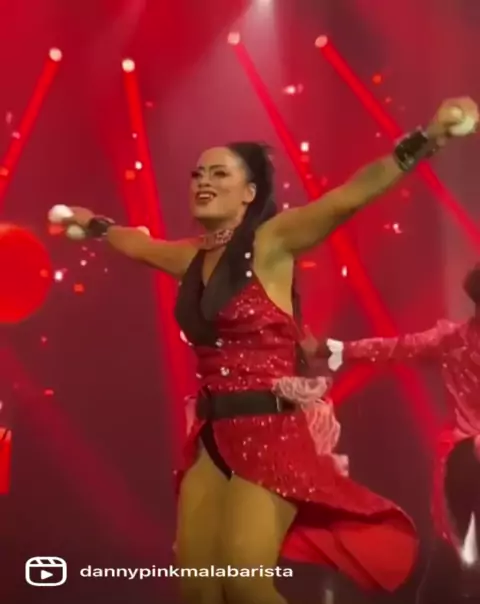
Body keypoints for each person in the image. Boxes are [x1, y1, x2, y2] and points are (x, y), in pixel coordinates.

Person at [49, 98, 477, 604]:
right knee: (198, 590)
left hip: (271, 432)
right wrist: (96, 226)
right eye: (197, 173)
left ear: (249, 193)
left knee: (245, 583)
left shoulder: (271, 241)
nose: (203, 181)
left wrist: (430, 137)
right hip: (213, 435)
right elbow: (139, 246)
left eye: (219, 174)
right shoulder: (191, 256)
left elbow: (349, 197)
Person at [310, 263, 480, 603]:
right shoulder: (453, 340)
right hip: (464, 460)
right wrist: (335, 350)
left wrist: (333, 349)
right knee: (452, 555)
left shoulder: (452, 340)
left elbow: (395, 347)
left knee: (451, 557)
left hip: (463, 460)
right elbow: (395, 347)